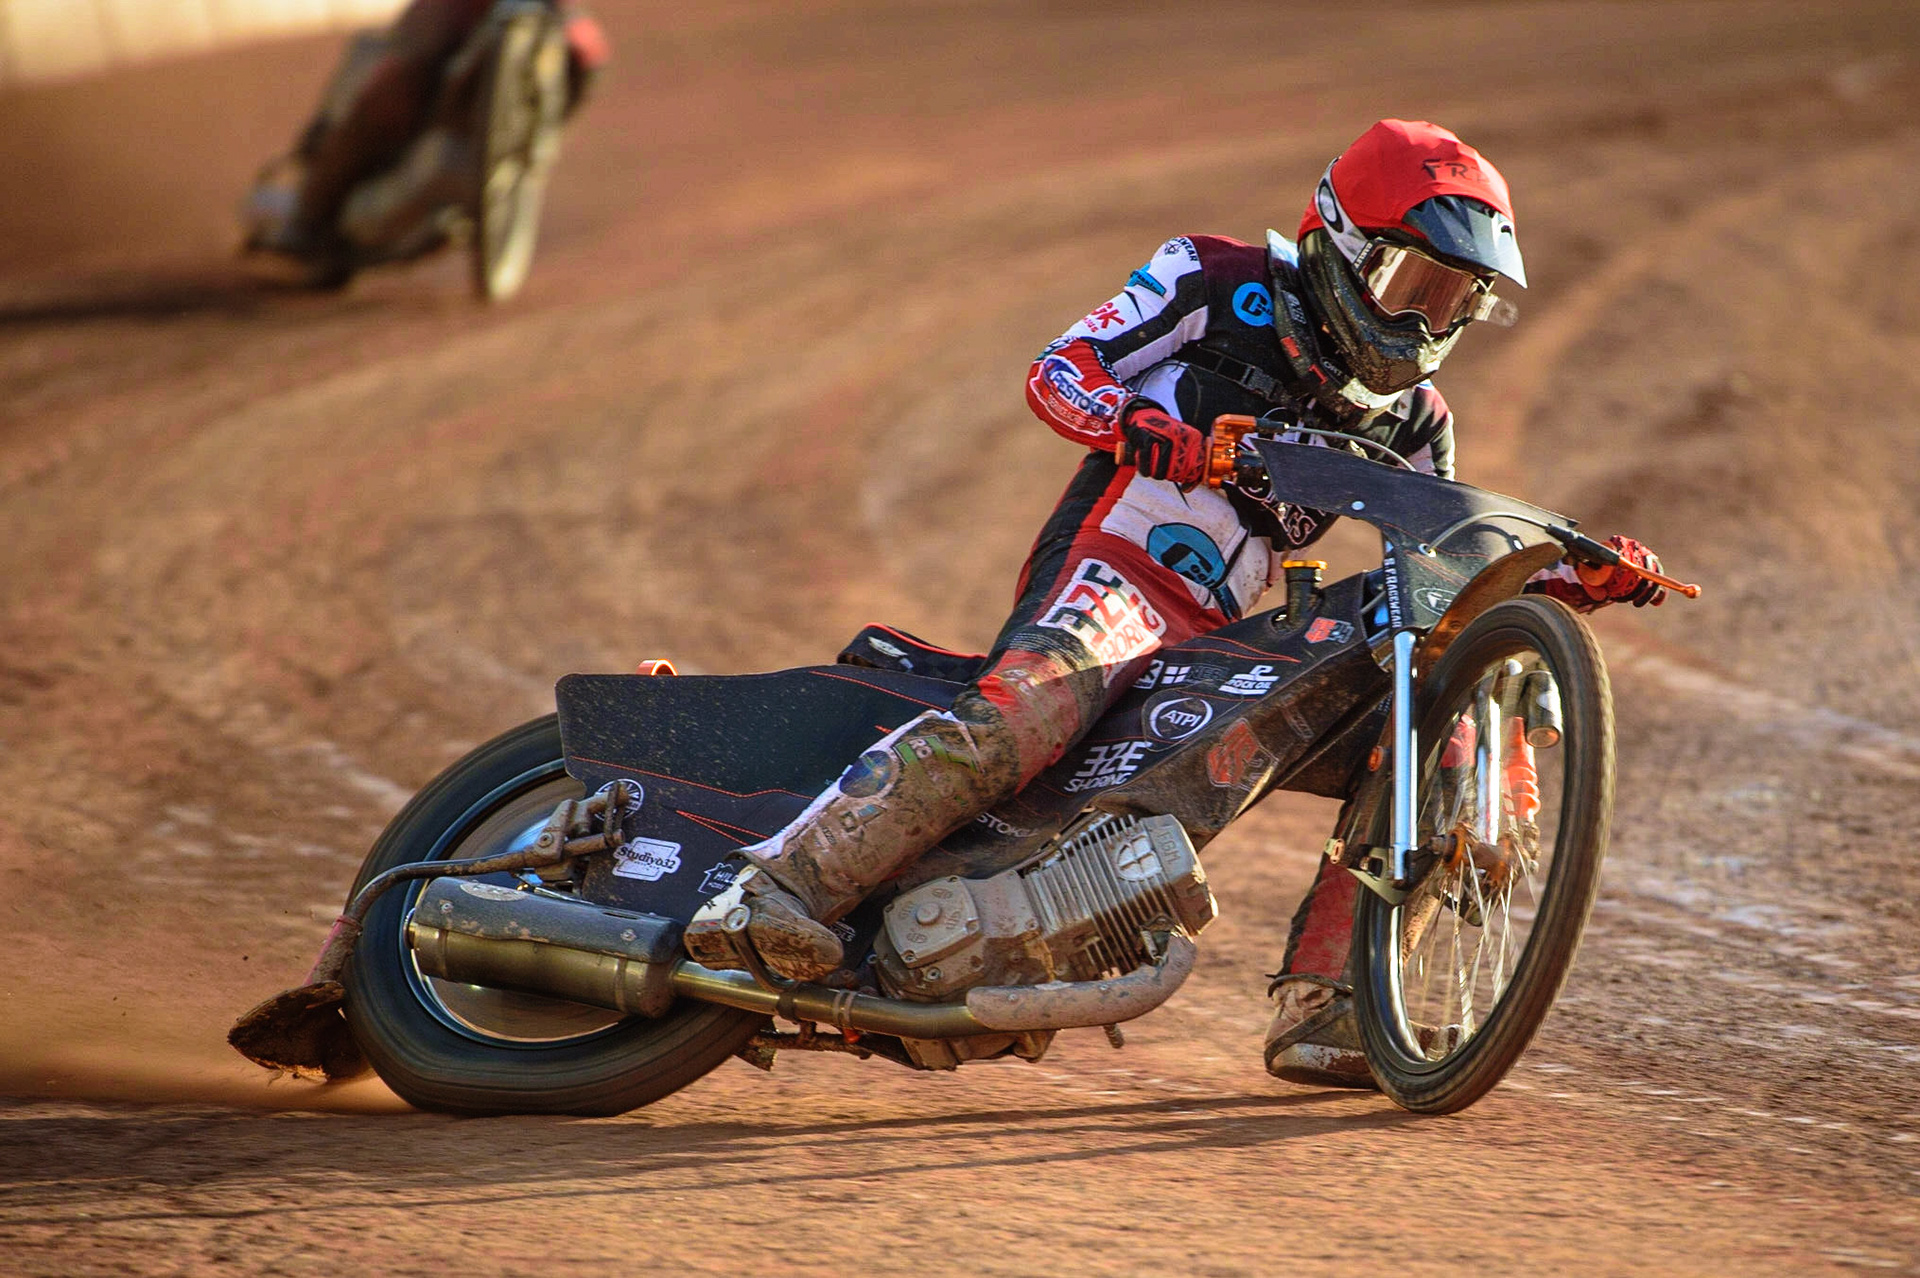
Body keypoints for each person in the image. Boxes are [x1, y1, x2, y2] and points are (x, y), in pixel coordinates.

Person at [683, 119, 1666, 1088]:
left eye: (1454, 301)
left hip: (1225, 639)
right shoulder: (1212, 283)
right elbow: (1059, 372)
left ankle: (1330, 1006)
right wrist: (1145, 425)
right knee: (1035, 703)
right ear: (1340, 244)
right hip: (1118, 576)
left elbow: (1445, 566)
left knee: (1431, 724)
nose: (1423, 326)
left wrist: (1571, 576)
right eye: (1412, 287)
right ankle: (772, 886)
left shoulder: (1415, 421)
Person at [251, 0, 608, 260]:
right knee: (395, 85)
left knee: (586, 56)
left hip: (543, 12)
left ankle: (520, 164)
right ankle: (311, 213)